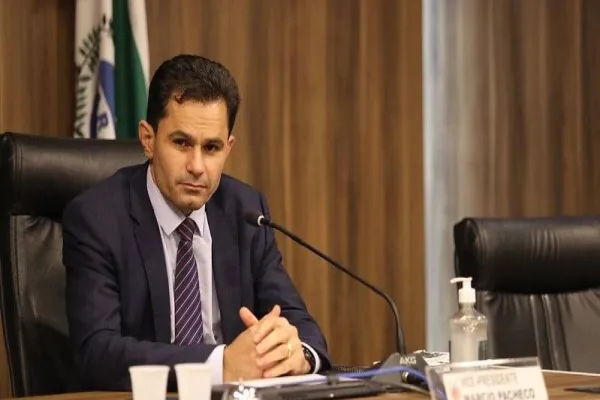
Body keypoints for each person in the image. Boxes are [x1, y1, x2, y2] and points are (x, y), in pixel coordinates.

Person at [62, 54, 331, 391]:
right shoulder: (97, 218)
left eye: (212, 147)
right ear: (148, 139)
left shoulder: (246, 212)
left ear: (228, 149)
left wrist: (296, 354)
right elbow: (97, 353)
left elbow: (301, 327)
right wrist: (220, 365)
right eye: (181, 143)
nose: (197, 166)